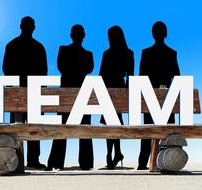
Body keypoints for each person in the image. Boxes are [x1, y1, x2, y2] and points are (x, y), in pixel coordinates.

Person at [2, 16, 48, 169]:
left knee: (17, 126)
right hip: (31, 91)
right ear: (33, 27)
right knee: (32, 127)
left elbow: (6, 69)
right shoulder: (39, 47)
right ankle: (33, 160)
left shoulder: (11, 45)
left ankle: (17, 161)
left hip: (17, 92)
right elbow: (44, 72)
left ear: (20, 26)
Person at [47, 24, 94, 170]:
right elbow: (88, 69)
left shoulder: (64, 50)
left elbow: (62, 67)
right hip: (81, 93)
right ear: (83, 36)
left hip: (66, 93)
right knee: (84, 128)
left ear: (71, 35)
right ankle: (86, 163)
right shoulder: (88, 55)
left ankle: (56, 162)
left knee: (62, 128)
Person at [138, 21, 180, 170]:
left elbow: (141, 76)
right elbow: (177, 75)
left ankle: (142, 163)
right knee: (167, 131)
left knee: (147, 130)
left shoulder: (146, 53)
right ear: (165, 34)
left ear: (153, 34)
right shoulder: (171, 53)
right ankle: (166, 161)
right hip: (167, 98)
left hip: (150, 99)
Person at [99, 26, 134, 169]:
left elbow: (101, 74)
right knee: (115, 122)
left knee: (110, 123)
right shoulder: (128, 53)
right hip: (120, 89)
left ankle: (111, 154)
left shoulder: (107, 54)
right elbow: (131, 76)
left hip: (109, 89)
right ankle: (116, 153)